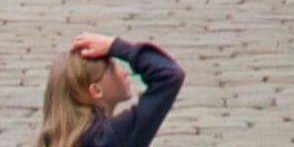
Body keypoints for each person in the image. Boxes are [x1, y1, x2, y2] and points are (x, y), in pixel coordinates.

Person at [34, 33, 184, 147]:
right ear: (96, 91)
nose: (124, 72)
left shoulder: (50, 140)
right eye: (113, 67)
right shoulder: (112, 138)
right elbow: (169, 75)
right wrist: (115, 46)